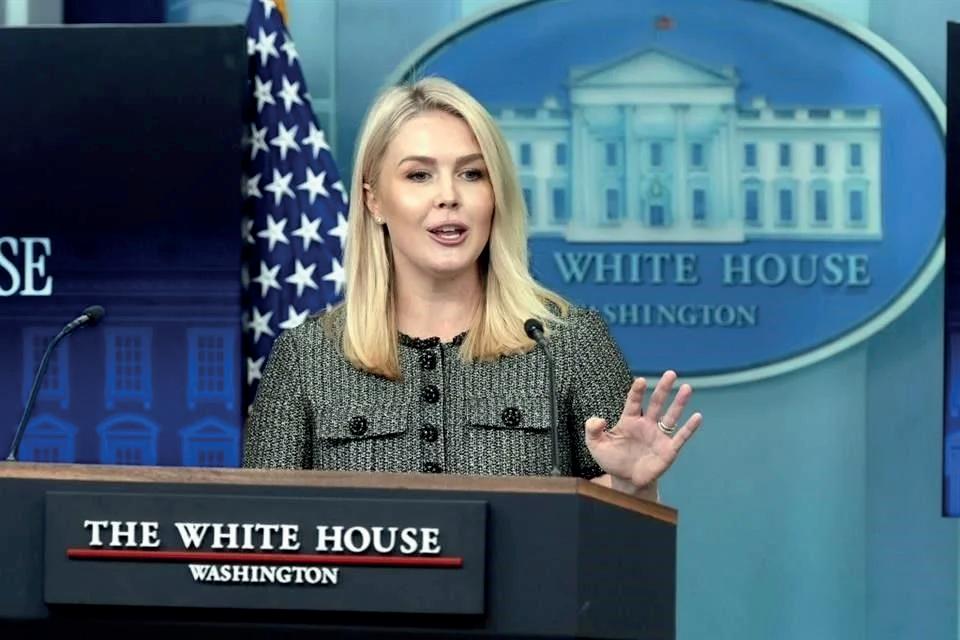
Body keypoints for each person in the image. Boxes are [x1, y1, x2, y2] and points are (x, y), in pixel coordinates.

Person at [242, 77, 702, 500]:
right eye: (419, 175)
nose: (449, 196)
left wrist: (631, 485)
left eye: (471, 174)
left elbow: (622, 543)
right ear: (373, 199)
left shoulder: (570, 344)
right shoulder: (305, 358)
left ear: (495, 195)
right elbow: (261, 533)